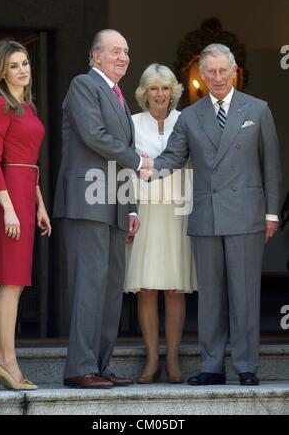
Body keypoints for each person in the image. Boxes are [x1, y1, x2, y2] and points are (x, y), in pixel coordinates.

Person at [142, 43, 281, 386]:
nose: (218, 77)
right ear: (201, 76)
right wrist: (147, 167)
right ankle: (212, 366)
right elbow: (173, 157)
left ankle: (247, 366)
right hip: (206, 216)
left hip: (247, 215)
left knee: (245, 293)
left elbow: (272, 166)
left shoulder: (258, 110)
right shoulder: (191, 116)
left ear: (234, 72)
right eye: (211, 72)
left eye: (223, 71)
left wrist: (272, 213)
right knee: (210, 297)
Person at [53, 29, 151, 389]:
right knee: (89, 286)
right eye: (114, 52)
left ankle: (99, 366)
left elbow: (118, 156)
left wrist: (131, 208)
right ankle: (79, 367)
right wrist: (139, 160)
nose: (123, 57)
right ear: (95, 56)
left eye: (126, 51)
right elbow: (94, 135)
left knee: (111, 289)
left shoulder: (118, 96)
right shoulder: (84, 84)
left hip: (113, 205)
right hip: (86, 202)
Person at [124, 64, 197, 384]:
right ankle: (152, 359)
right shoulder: (131, 123)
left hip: (179, 211)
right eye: (153, 88)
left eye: (165, 88)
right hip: (145, 212)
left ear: (173, 91)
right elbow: (123, 168)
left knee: (175, 289)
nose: (160, 94)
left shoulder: (187, 120)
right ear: (144, 93)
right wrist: (128, 210)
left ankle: (173, 360)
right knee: (147, 289)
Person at [0, 39, 51, 390]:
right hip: (9, 197)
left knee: (18, 281)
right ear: (2, 71)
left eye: (25, 63)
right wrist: (9, 208)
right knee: (10, 281)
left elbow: (31, 161)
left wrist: (39, 204)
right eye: (14, 65)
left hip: (27, 191)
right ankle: (9, 361)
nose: (22, 70)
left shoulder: (28, 108)